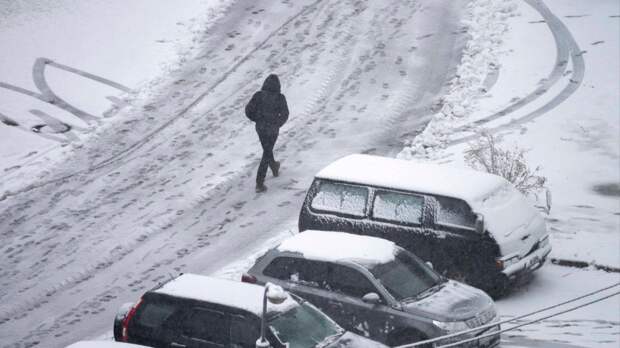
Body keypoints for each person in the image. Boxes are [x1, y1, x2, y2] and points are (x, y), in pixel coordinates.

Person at [245, 74, 289, 193]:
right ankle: (259, 183)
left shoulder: (258, 95)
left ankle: (274, 166)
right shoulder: (280, 98)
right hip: (272, 130)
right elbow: (285, 114)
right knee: (267, 151)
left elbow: (248, 110)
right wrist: (277, 123)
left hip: (260, 128)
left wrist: (257, 119)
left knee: (267, 150)